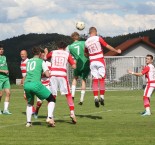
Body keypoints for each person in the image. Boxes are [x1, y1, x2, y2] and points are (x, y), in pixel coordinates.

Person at [85, 27, 121, 107]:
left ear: (89, 33)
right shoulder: (98, 38)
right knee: (101, 79)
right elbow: (107, 46)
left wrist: (89, 56)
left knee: (95, 80)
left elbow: (86, 53)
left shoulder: (86, 42)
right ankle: (101, 96)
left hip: (92, 62)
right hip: (100, 60)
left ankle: (95, 97)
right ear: (95, 32)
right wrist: (116, 51)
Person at [44, 41, 77, 124]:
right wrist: (75, 61)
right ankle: (72, 113)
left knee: (52, 96)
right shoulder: (66, 54)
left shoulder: (53, 52)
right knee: (68, 95)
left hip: (53, 74)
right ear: (65, 47)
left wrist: (46, 53)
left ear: (57, 46)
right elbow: (74, 66)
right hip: (62, 75)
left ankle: (50, 116)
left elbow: (45, 58)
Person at [24, 47, 55, 127]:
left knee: (30, 103)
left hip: (27, 84)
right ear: (40, 53)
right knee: (51, 99)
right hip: (36, 84)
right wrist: (46, 73)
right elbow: (47, 74)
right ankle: (49, 117)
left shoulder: (28, 61)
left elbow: (29, 73)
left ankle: (28, 122)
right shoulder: (41, 61)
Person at [67, 32, 90, 105]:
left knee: (75, 78)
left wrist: (72, 62)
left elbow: (68, 55)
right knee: (83, 80)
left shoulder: (70, 46)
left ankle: (73, 95)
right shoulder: (83, 42)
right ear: (78, 37)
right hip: (86, 62)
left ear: (72, 37)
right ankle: (81, 99)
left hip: (77, 63)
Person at [34, 49, 51, 119]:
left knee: (50, 100)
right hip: (40, 84)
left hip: (48, 84)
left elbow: (49, 73)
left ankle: (49, 115)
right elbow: (37, 74)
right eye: (42, 55)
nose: (43, 56)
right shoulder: (38, 63)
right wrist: (42, 73)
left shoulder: (49, 64)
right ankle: (36, 111)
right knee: (40, 102)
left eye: (45, 55)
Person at [20, 50, 35, 114]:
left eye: (23, 54)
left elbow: (29, 71)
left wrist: (24, 78)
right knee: (26, 96)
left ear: (26, 54)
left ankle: (32, 109)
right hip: (25, 80)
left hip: (28, 80)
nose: (22, 55)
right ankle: (32, 109)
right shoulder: (21, 61)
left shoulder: (28, 61)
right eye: (21, 54)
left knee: (26, 95)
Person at [0, 44, 11, 115]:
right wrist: (3, 71)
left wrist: (7, 71)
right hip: (0, 78)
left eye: (2, 49)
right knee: (0, 95)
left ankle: (5, 110)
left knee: (8, 93)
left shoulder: (4, 57)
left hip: (6, 78)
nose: (1, 50)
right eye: (0, 49)